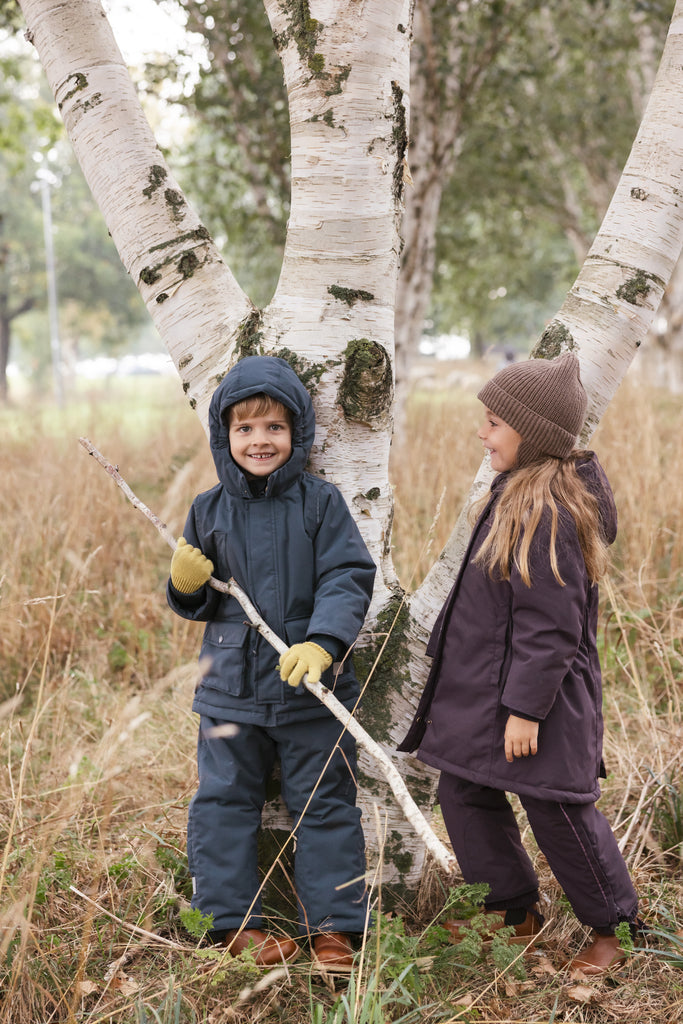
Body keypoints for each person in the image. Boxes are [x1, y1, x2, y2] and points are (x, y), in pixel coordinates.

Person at [399, 352, 640, 976]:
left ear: (531, 435)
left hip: (539, 702)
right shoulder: (512, 493)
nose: (481, 433)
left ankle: (615, 927)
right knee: (463, 791)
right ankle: (511, 911)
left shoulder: (547, 511)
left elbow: (551, 626)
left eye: (494, 423)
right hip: (485, 695)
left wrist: (525, 711)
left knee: (557, 808)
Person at [167, 355, 376, 970]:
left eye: (275, 428)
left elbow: (347, 574)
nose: (260, 441)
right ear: (224, 436)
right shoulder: (208, 510)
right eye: (245, 428)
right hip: (229, 689)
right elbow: (205, 599)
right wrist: (185, 586)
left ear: (298, 433)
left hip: (311, 688)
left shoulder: (321, 503)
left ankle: (334, 928)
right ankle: (230, 923)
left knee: (325, 802)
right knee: (224, 801)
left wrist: (324, 643)